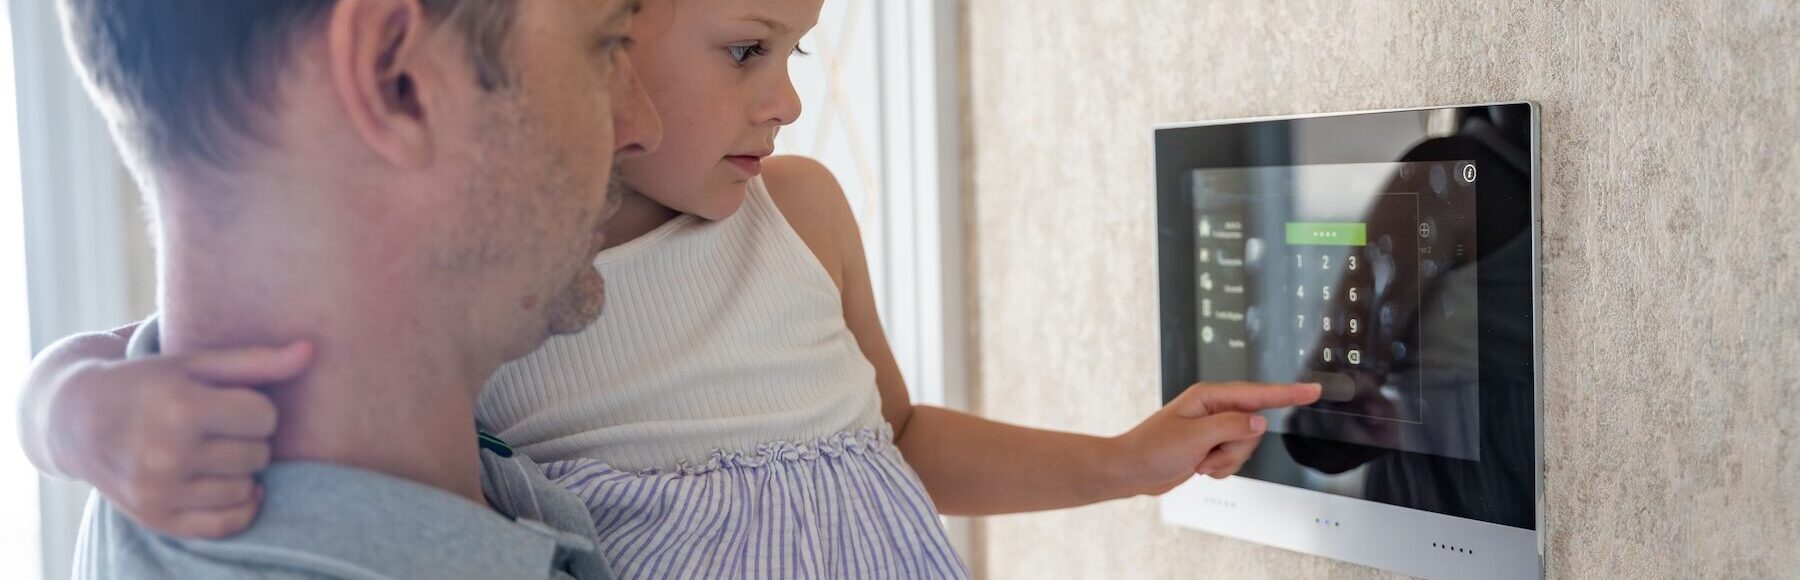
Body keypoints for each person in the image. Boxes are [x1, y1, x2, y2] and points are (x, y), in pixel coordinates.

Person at [22, 0, 1321, 577]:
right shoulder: (483, 341)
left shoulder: (775, 221)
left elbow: (898, 438)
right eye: (600, 42)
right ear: (397, 78)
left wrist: (1120, 461)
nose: (789, 96)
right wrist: (69, 415)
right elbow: (129, 370)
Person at [34, 0, 661, 576]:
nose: (644, 127)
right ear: (396, 80)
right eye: (607, 44)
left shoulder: (130, 432)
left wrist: (61, 409)